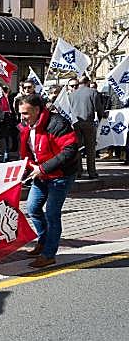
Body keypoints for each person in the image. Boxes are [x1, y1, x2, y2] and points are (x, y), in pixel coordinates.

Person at [18, 94, 79, 268]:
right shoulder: (26, 126)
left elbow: (70, 150)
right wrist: (28, 169)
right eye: (21, 113)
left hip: (61, 175)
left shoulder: (57, 124)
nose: (22, 117)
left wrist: (43, 168)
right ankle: (43, 242)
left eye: (25, 113)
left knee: (52, 214)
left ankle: (49, 254)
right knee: (33, 208)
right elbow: (28, 152)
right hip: (41, 175)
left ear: (37, 110)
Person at [69, 75, 104, 179]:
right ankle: (91, 172)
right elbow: (98, 108)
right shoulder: (93, 92)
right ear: (88, 82)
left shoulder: (71, 94)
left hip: (75, 123)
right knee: (90, 149)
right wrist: (103, 116)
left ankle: (78, 171)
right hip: (88, 122)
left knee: (77, 148)